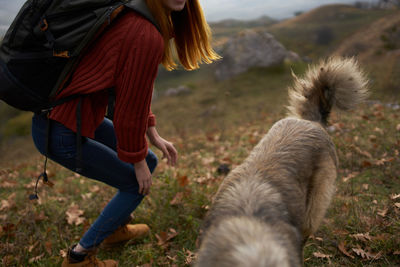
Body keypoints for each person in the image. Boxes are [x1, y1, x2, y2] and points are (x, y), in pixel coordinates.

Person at [31, 0, 219, 266]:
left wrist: (152, 134)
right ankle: (79, 257)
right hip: (60, 130)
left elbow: (133, 91)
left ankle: (115, 228)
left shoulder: (135, 15)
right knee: (136, 183)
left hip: (69, 118)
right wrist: (136, 159)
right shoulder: (145, 33)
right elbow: (128, 110)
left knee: (150, 161)